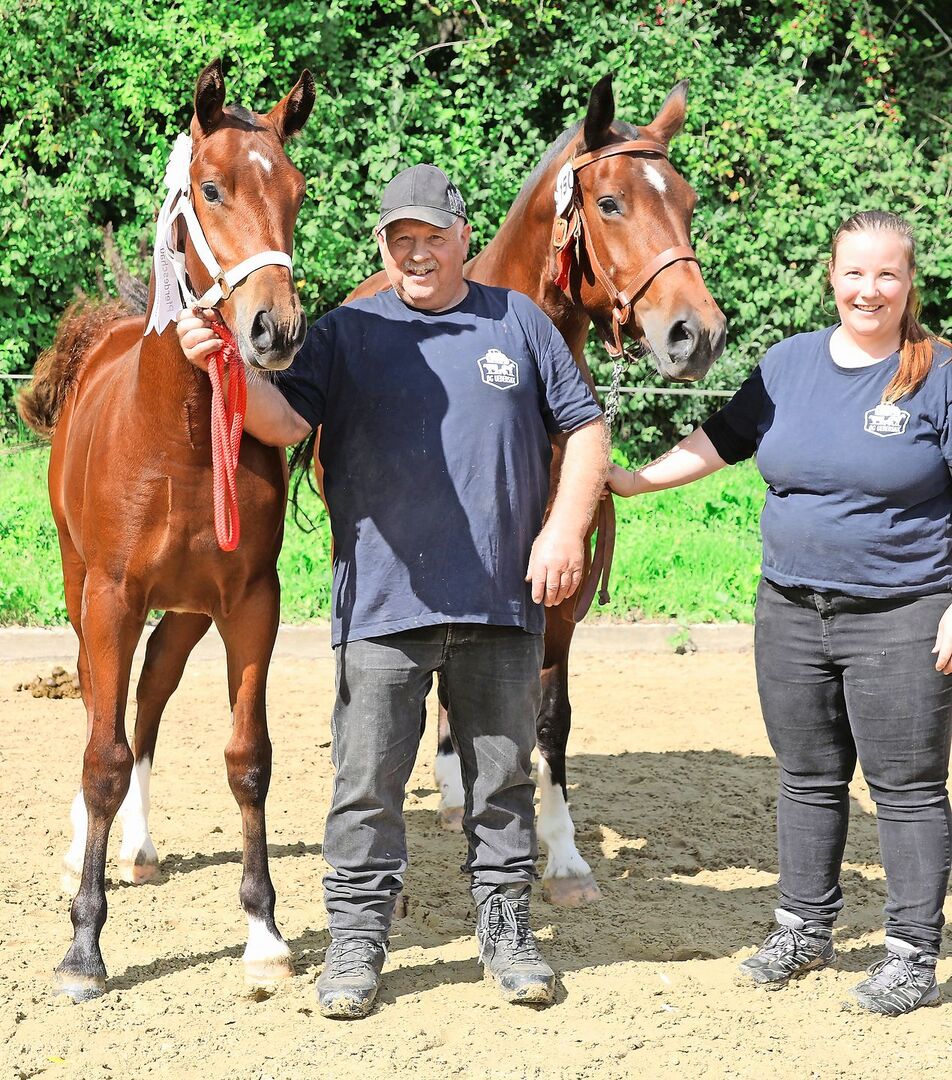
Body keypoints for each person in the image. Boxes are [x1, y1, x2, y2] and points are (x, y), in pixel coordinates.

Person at [177, 163, 607, 1018]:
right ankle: (357, 941)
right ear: (382, 245)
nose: (416, 253)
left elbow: (586, 427)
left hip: (500, 600)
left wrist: (564, 529)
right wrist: (224, 365)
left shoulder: (518, 321)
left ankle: (507, 932)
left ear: (462, 238)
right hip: (381, 606)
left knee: (501, 784)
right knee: (366, 787)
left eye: (432, 238)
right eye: (399, 239)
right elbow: (283, 422)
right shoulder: (347, 332)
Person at [608, 210, 952, 1016]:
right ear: (832, 277)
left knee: (906, 788)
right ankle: (804, 928)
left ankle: (910, 952)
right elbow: (723, 439)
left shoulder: (939, 374)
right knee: (807, 777)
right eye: (854, 273)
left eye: (887, 274)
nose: (869, 290)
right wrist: (633, 481)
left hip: (902, 611)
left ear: (910, 282)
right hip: (792, 608)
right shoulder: (790, 363)